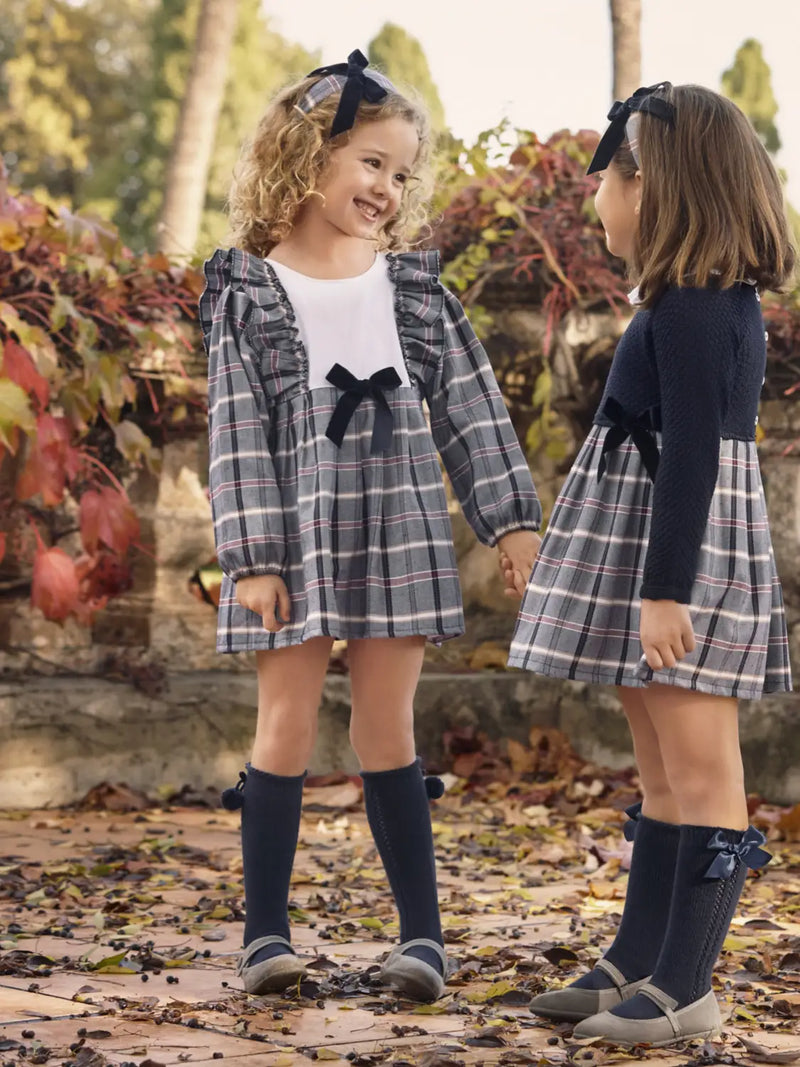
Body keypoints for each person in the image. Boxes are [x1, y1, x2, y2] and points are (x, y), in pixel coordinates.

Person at [199, 50, 542, 1003]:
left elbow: (472, 411)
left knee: (388, 725)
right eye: (371, 163)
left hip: (399, 527)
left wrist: (511, 522)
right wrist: (254, 558)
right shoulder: (249, 293)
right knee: (285, 724)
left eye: (400, 172)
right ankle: (265, 936)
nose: (388, 188)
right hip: (296, 538)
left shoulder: (415, 295)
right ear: (308, 158)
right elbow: (235, 432)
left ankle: (422, 938)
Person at [504, 83, 794, 1046]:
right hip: (647, 542)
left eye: (609, 177)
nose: (597, 195)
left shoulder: (702, 309)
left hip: (681, 556)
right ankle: (638, 957)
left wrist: (667, 591)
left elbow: (696, 457)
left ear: (653, 188)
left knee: (701, 764)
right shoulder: (682, 302)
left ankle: (686, 984)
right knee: (662, 766)